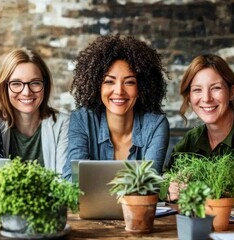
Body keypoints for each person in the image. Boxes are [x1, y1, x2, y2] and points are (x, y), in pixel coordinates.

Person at [62, 34, 170, 180]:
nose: (119, 91)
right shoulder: (82, 120)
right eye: (109, 82)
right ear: (97, 86)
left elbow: (148, 183)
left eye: (129, 82)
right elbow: (72, 180)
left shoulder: (155, 125)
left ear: (141, 88)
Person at [165, 54, 234, 201]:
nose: (207, 98)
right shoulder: (189, 141)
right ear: (189, 97)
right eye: (197, 90)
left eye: (215, 88)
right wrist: (170, 190)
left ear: (232, 92)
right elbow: (164, 183)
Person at [0, 48, 69, 174]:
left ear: (45, 85)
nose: (26, 92)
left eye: (35, 83)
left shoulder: (63, 123)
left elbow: (64, 179)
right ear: (5, 87)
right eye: (16, 83)